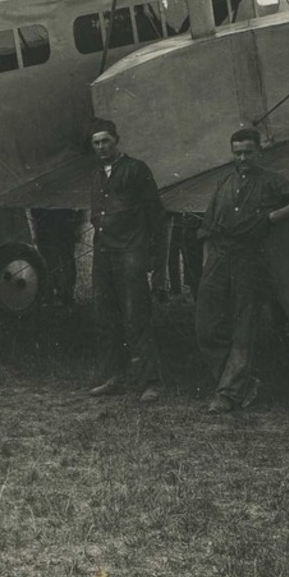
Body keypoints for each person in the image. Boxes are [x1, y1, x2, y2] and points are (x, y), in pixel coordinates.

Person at [195, 127, 289, 413]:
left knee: (243, 325)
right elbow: (207, 228)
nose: (243, 158)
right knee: (206, 324)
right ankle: (240, 383)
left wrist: (272, 217)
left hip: (249, 258)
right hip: (219, 257)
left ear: (258, 152)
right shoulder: (224, 182)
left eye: (248, 152)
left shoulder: (271, 182)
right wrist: (206, 263)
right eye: (237, 153)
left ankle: (229, 392)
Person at [85, 118, 165, 403]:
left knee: (136, 316)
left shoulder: (136, 170)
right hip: (104, 252)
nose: (101, 147)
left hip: (131, 251)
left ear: (116, 140)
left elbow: (155, 214)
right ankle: (113, 377)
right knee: (105, 315)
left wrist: (154, 256)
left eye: (105, 141)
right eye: (96, 143)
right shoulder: (96, 174)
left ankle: (150, 382)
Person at [32, 208, 83, 306]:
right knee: (54, 258)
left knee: (58, 257)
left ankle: (58, 295)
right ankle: (55, 294)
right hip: (53, 217)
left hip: (53, 217)